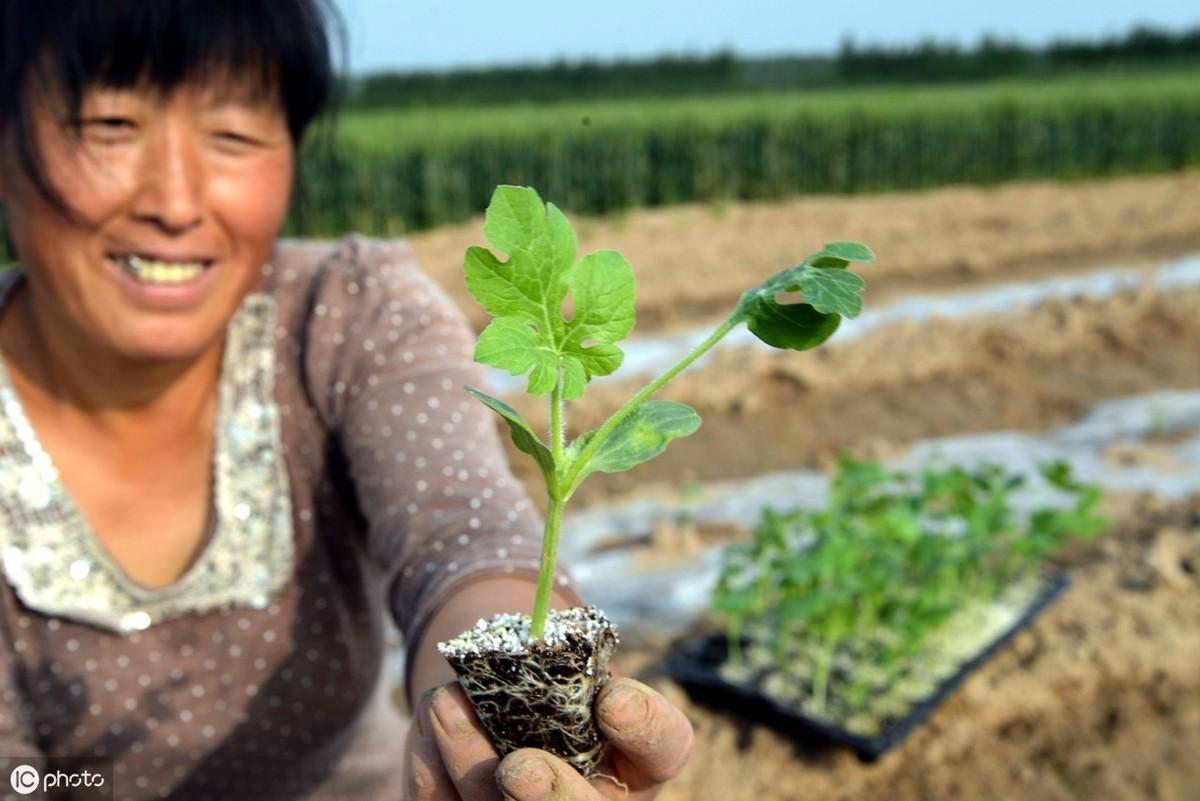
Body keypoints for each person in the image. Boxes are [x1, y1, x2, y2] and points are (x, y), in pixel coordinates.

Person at [0, 2, 694, 799]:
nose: (176, 200)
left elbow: (463, 536)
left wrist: (493, 735)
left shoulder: (346, 314)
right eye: (111, 125)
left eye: (232, 135)